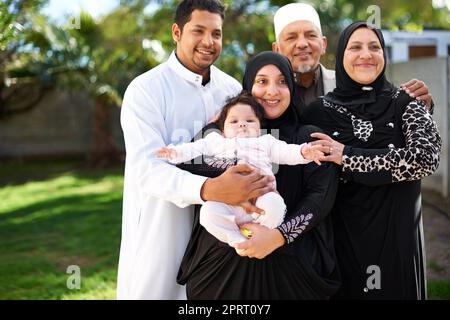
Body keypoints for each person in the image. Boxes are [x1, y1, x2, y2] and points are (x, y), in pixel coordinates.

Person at [116, 0, 271, 300]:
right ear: (176, 32)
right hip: (162, 227)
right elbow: (148, 169)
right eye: (198, 31)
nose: (208, 42)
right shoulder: (145, 90)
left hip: (220, 233)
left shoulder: (230, 90)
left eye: (216, 33)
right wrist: (211, 188)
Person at [177, 51, 341, 299]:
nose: (272, 91)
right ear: (248, 86)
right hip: (223, 270)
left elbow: (321, 198)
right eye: (262, 81)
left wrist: (279, 236)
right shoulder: (220, 134)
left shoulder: (307, 138)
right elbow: (187, 166)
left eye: (282, 81)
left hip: (291, 268)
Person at [301, 22, 442, 299]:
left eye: (374, 47)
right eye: (355, 47)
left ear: (384, 55)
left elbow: (425, 158)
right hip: (344, 247)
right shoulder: (318, 112)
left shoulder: (406, 102)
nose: (366, 54)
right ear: (341, 56)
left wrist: (349, 157)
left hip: (398, 246)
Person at [156, 91, 324, 248]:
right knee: (208, 213)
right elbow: (194, 149)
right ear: (222, 130)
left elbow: (286, 151)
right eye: (234, 121)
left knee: (275, 206)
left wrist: (303, 151)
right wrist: (174, 152)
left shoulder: (266, 142)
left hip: (262, 196)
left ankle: (260, 233)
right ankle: (236, 238)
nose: (242, 124)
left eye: (250, 121)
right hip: (228, 200)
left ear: (260, 128)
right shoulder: (216, 141)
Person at [271, 2, 434, 112]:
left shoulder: (352, 84)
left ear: (323, 45)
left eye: (311, 35)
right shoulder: (263, 93)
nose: (302, 44)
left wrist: (419, 105)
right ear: (276, 49)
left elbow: (385, 111)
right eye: (291, 37)